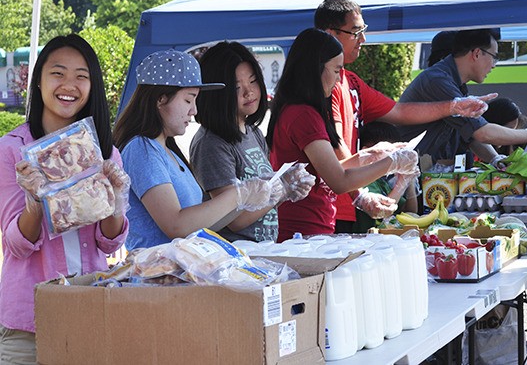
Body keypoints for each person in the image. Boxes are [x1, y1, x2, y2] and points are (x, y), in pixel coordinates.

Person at [314, 0, 496, 233]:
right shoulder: (324, 86)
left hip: (344, 202)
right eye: (355, 32)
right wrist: (363, 190)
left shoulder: (352, 82)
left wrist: (452, 107)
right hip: (331, 208)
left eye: (363, 31)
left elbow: (398, 111)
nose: (363, 39)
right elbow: (338, 150)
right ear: (330, 34)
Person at [0, 34, 130, 363]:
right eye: (57, 73)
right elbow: (15, 244)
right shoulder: (12, 151)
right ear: (39, 82)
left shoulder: (104, 152)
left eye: (81, 76)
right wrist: (34, 204)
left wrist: (115, 204)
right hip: (28, 323)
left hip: (89, 309)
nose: (68, 84)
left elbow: (110, 244)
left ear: (92, 86)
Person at [113, 49, 278, 251]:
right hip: (158, 275)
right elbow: (176, 225)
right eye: (188, 100)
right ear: (160, 99)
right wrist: (239, 194)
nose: (194, 111)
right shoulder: (142, 148)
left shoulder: (169, 152)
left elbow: (203, 225)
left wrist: (257, 195)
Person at [267, 28, 420, 242]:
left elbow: (329, 168)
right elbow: (338, 180)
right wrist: (391, 162)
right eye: (337, 70)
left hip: (311, 230)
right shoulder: (303, 114)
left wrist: (372, 156)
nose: (339, 80)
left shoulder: (304, 110)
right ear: (315, 69)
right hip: (301, 234)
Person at [190, 41, 314, 243]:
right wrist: (281, 188)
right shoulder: (211, 143)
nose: (249, 92)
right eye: (236, 87)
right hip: (234, 258)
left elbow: (262, 198)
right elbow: (234, 219)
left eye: (253, 81)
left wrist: (287, 186)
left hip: (263, 249)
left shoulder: (253, 132)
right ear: (215, 93)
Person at [398, 28, 527, 165]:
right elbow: (483, 132)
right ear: (477, 53)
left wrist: (495, 159)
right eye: (494, 56)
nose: (494, 65)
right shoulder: (438, 81)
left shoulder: (455, 83)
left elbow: (470, 134)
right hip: (401, 173)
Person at [354, 122, 419, 232]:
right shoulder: (364, 179)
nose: (393, 159)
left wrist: (409, 181)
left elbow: (410, 211)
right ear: (367, 150)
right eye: (389, 153)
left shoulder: (380, 180)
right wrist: (401, 183)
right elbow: (382, 212)